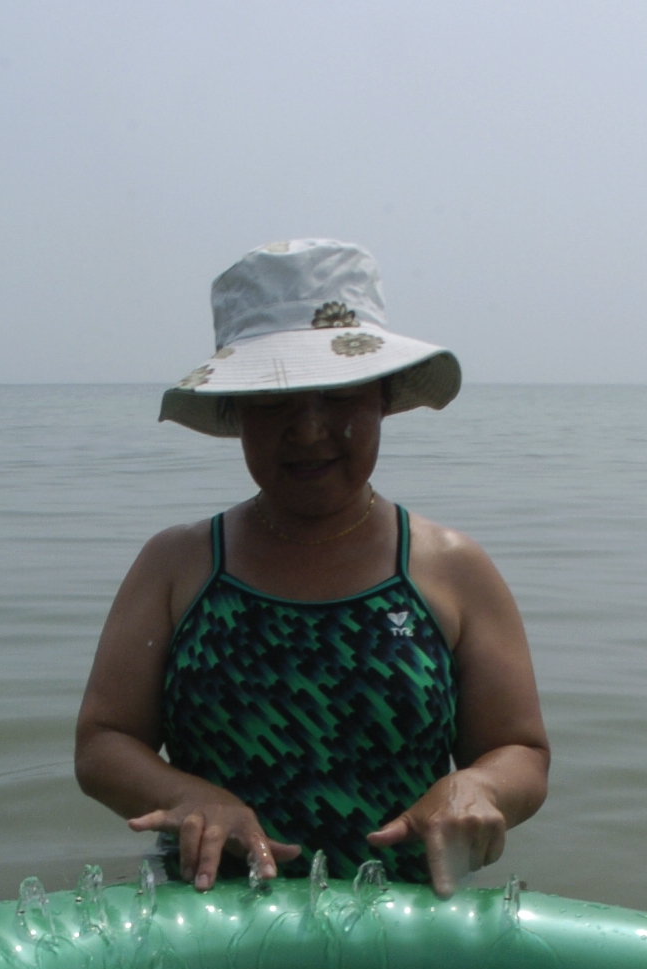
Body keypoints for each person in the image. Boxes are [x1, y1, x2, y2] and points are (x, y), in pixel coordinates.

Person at [75, 239, 548, 896]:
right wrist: (187, 796)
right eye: (274, 401)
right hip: (208, 925)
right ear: (236, 411)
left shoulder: (451, 569)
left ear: (383, 397)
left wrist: (478, 787)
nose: (308, 429)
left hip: (405, 928)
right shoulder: (177, 566)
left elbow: (521, 751)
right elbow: (103, 742)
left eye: (339, 395)